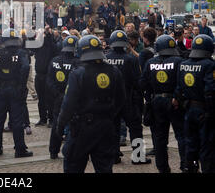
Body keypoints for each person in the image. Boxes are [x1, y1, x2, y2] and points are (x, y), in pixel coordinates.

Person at [56, 35, 125, 173]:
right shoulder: (114, 71)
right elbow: (121, 100)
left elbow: (68, 104)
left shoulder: (78, 74)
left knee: (73, 166)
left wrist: (60, 124)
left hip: (82, 128)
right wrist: (108, 115)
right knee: (105, 168)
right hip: (106, 127)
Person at [140, 35, 186, 173]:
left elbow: (143, 83)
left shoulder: (150, 63)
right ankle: (185, 165)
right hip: (174, 101)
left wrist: (149, 98)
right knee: (181, 135)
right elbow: (182, 82)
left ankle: (162, 167)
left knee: (159, 138)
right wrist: (177, 97)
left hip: (156, 101)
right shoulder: (179, 61)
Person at [106, 31, 151, 165]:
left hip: (111, 100)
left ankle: (113, 156)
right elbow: (138, 81)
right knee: (135, 128)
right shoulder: (131, 59)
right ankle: (138, 157)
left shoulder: (106, 59)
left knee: (113, 128)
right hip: (129, 99)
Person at [174, 34, 215, 173]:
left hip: (189, 109)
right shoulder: (210, 65)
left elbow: (178, 90)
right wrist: (211, 111)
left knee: (190, 143)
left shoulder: (183, 65)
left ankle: (190, 167)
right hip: (204, 110)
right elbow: (210, 92)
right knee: (207, 145)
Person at [0, 28, 33, 158]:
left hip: (1, 88)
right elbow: (26, 67)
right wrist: (22, 85)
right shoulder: (21, 53)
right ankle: (20, 149)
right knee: (17, 120)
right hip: (15, 88)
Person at [47, 35, 79, 159]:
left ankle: (53, 151)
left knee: (57, 124)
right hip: (73, 98)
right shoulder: (78, 63)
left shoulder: (55, 61)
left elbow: (49, 80)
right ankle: (73, 150)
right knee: (74, 124)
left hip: (58, 97)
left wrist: (57, 94)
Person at [33, 26, 56, 127]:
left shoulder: (49, 45)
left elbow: (51, 43)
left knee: (49, 99)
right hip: (39, 75)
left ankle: (51, 119)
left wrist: (47, 33)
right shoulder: (37, 46)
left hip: (48, 75)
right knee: (40, 99)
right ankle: (43, 118)